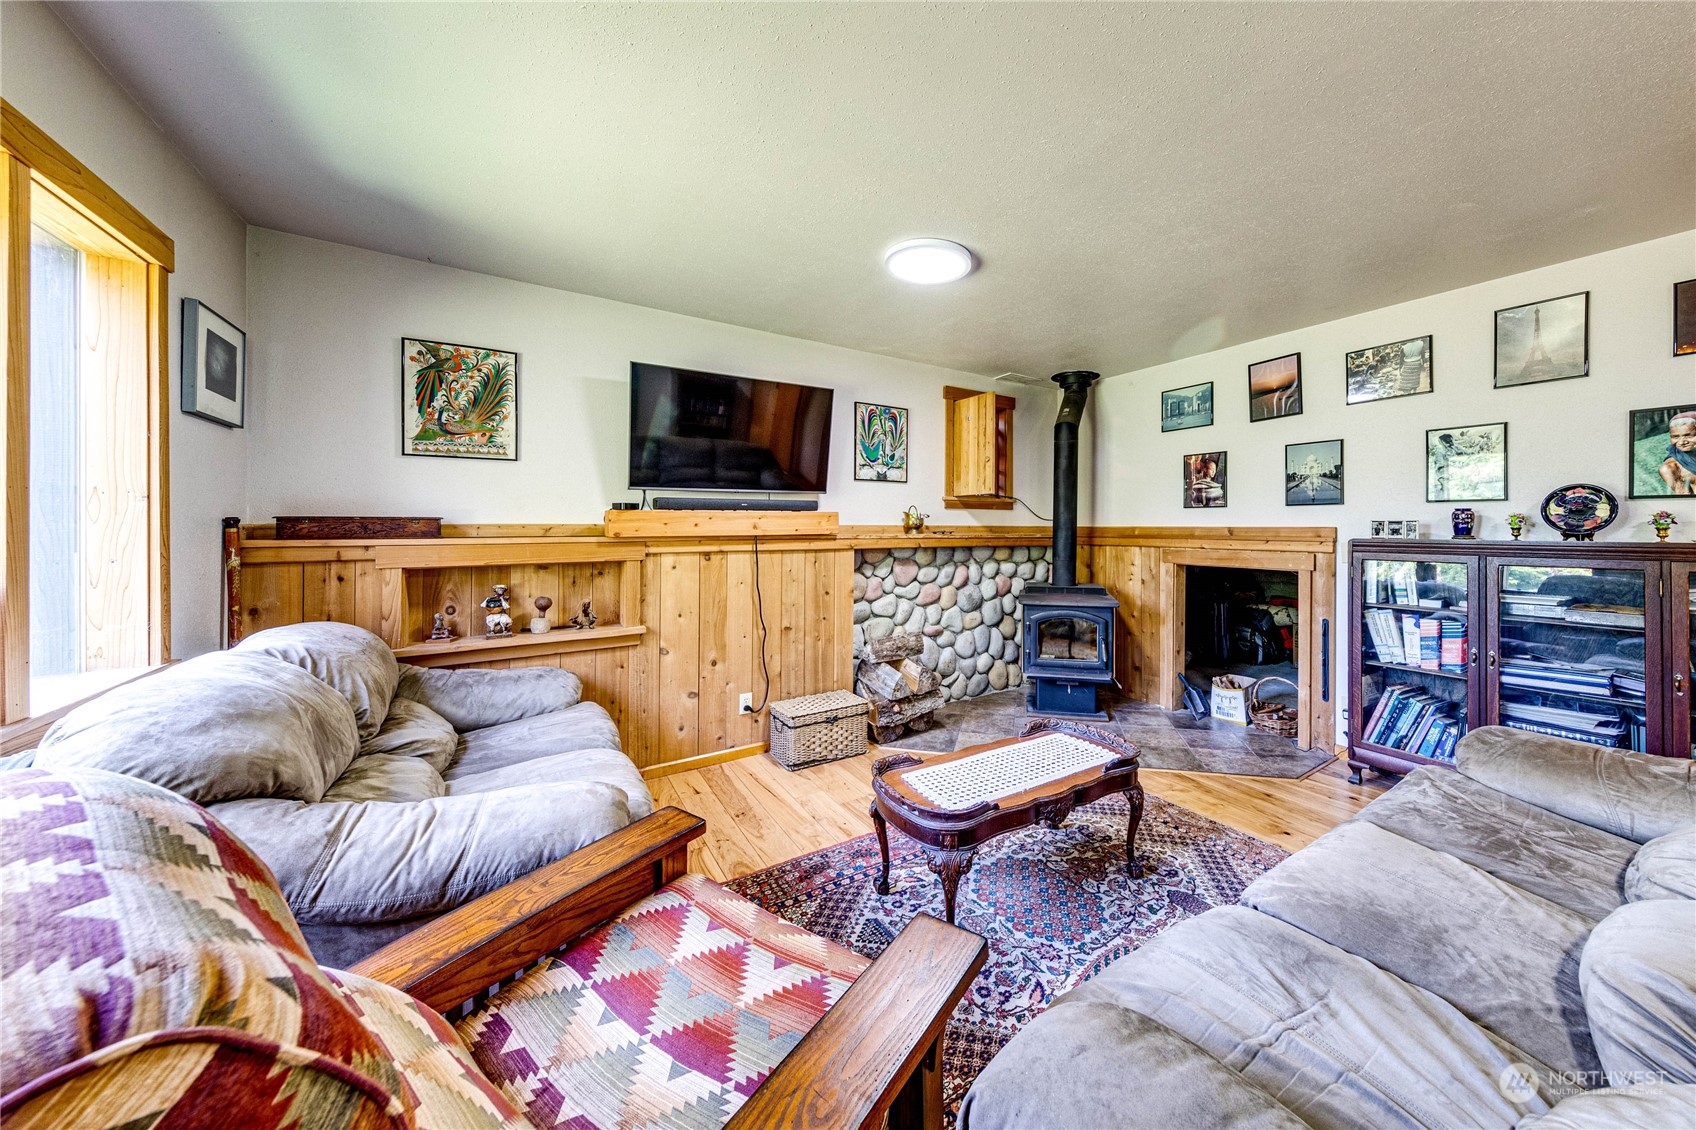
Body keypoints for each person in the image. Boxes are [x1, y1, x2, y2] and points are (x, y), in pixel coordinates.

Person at [1660, 411, 1696, 495]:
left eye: (1688, 436)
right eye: (1675, 437)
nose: (1681, 442)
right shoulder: (1671, 469)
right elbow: (1684, 500)